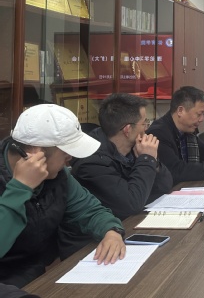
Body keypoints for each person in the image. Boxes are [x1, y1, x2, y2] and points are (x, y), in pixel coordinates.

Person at [0, 104, 126, 288]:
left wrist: (111, 231)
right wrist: (20, 188)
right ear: (35, 152)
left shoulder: (59, 177)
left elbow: (90, 210)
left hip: (37, 277)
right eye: (66, 152)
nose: (70, 158)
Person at [71, 93, 174, 220]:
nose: (147, 128)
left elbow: (165, 185)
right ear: (127, 130)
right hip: (106, 230)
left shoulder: (134, 148)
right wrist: (147, 159)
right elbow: (131, 204)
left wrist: (153, 161)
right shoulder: (92, 162)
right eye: (144, 123)